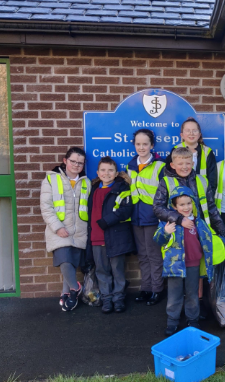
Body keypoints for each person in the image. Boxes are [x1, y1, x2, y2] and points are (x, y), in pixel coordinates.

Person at [153, 146, 225, 323]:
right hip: (175, 241)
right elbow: (157, 208)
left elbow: (211, 208)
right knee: (177, 286)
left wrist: (222, 232)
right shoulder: (166, 181)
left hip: (199, 237)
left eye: (188, 163)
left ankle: (194, 316)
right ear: (173, 164)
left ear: (193, 163)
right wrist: (179, 219)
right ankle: (174, 319)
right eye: (180, 164)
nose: (185, 167)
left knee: (197, 279)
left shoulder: (202, 180)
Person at [154, 186, 210, 336]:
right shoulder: (169, 222)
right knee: (174, 295)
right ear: (174, 206)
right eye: (181, 204)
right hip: (174, 266)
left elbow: (208, 240)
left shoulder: (199, 222)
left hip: (193, 264)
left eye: (188, 203)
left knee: (192, 293)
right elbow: (158, 240)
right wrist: (165, 232)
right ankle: (172, 321)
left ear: (193, 203)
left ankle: (193, 320)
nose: (186, 207)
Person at [40, 147, 90, 311]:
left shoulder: (86, 182)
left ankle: (67, 294)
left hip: (80, 231)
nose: (76, 165)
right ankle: (76, 288)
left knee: (71, 264)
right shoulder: (51, 180)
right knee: (64, 260)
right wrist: (57, 227)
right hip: (59, 230)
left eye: (80, 163)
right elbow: (46, 207)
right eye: (73, 161)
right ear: (65, 161)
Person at [86, 157, 135, 313]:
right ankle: (106, 299)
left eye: (110, 170)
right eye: (103, 170)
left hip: (115, 237)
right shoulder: (93, 190)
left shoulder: (122, 188)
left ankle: (118, 298)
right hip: (96, 237)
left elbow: (126, 210)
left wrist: (107, 221)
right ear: (97, 172)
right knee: (102, 271)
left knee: (117, 270)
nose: (106, 173)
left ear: (116, 173)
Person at [126, 129, 166, 306]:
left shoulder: (160, 166)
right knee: (142, 255)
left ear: (152, 145)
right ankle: (146, 288)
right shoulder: (130, 165)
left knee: (154, 255)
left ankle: (157, 289)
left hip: (153, 217)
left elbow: (164, 193)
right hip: (136, 217)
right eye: (138, 144)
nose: (141, 147)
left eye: (145, 144)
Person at [165, 116, 218, 194]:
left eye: (194, 130)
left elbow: (212, 179)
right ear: (182, 135)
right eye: (187, 130)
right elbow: (169, 174)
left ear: (199, 134)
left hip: (201, 194)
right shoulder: (175, 150)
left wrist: (208, 196)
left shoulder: (207, 152)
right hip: (180, 195)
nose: (191, 133)